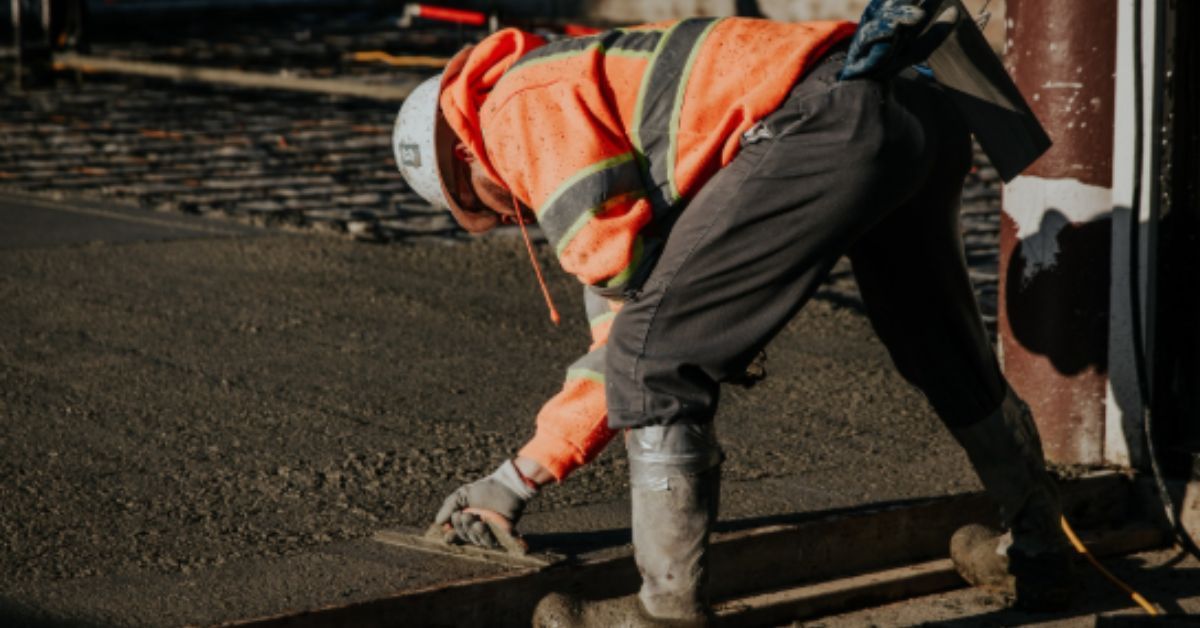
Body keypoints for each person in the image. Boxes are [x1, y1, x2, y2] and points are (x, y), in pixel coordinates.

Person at [391, 2, 1075, 625]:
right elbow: (629, 312)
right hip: (913, 104)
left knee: (653, 364)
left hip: (822, 122)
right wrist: (517, 480)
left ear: (463, 155)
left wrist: (514, 480)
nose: (512, 213)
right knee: (938, 344)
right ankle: (1040, 544)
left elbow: (633, 341)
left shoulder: (515, 114)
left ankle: (666, 613)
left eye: (488, 204)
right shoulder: (586, 92)